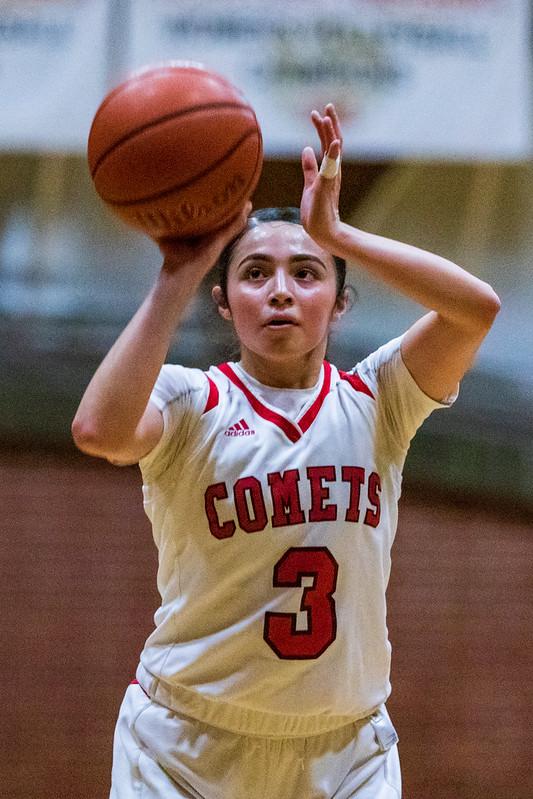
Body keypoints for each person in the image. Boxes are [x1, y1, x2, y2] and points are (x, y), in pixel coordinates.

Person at [72, 105, 500, 799]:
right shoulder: (191, 401)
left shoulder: (378, 398)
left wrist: (337, 232)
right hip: (184, 745)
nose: (279, 290)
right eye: (254, 273)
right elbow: (99, 430)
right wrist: (174, 275)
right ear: (223, 301)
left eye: (306, 273)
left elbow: (474, 309)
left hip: (343, 751)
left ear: (338, 302)